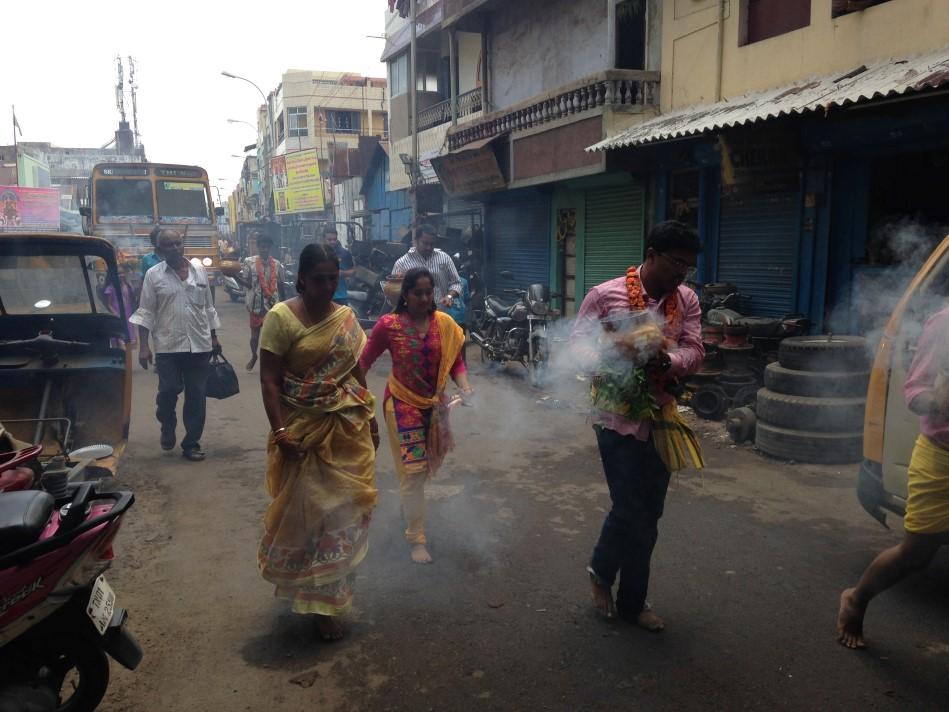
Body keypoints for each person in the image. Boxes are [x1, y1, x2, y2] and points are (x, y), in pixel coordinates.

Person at [570, 220, 705, 631]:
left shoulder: (688, 301)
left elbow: (695, 349)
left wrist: (669, 360)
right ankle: (601, 574)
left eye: (689, 267)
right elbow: (577, 346)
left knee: (651, 512)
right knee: (630, 508)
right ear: (651, 256)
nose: (681, 274)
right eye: (675, 263)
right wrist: (613, 354)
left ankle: (631, 600)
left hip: (661, 417)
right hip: (616, 419)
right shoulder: (605, 295)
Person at [257, 243, 380, 642]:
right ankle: (316, 605)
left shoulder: (346, 318)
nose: (327, 287)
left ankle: (332, 595)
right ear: (302, 278)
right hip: (303, 434)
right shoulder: (281, 317)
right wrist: (281, 433)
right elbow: (270, 381)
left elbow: (355, 371)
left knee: (345, 515)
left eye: (333, 278)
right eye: (319, 279)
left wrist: (371, 417)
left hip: (346, 428)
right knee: (313, 518)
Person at [837, 303, 949, 650]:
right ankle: (857, 598)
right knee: (918, 552)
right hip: (942, 457)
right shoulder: (945, 322)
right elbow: (914, 392)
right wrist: (940, 401)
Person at [359, 267, 473, 564]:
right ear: (405, 296)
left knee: (417, 474)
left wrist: (465, 386)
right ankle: (416, 538)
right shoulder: (389, 325)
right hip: (400, 405)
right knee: (414, 473)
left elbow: (456, 361)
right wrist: (353, 399)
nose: (425, 298)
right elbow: (362, 364)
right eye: (417, 293)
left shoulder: (445, 324)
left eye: (428, 292)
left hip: (434, 406)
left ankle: (409, 508)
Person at [130, 229, 222, 462]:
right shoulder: (153, 275)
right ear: (159, 250)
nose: (174, 248)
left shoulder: (199, 271)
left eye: (177, 243)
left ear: (183, 245)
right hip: (168, 346)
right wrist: (144, 346)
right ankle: (167, 424)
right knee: (169, 390)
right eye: (168, 245)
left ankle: (191, 443)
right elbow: (146, 312)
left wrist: (213, 337)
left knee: (196, 396)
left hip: (199, 344)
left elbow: (208, 307)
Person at [237, 234, 286, 371]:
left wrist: (285, 303)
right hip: (256, 305)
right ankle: (254, 355)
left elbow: (280, 285)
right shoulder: (249, 262)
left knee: (272, 336)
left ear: (270, 248)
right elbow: (246, 283)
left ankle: (272, 361)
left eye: (267, 247)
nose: (264, 250)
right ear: (258, 247)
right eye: (262, 247)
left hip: (273, 305)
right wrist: (235, 276)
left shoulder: (276, 264)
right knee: (254, 337)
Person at [392, 224, 463, 310]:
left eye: (432, 244)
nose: (428, 247)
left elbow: (457, 283)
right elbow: (393, 294)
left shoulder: (445, 259)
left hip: (439, 314)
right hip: (413, 317)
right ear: (416, 241)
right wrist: (400, 282)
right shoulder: (401, 263)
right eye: (425, 243)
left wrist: (449, 296)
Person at [321, 226, 355, 307]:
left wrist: (342, 273)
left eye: (334, 239)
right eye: (329, 240)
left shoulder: (344, 253)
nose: (332, 242)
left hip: (340, 296)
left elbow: (353, 271)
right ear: (323, 239)